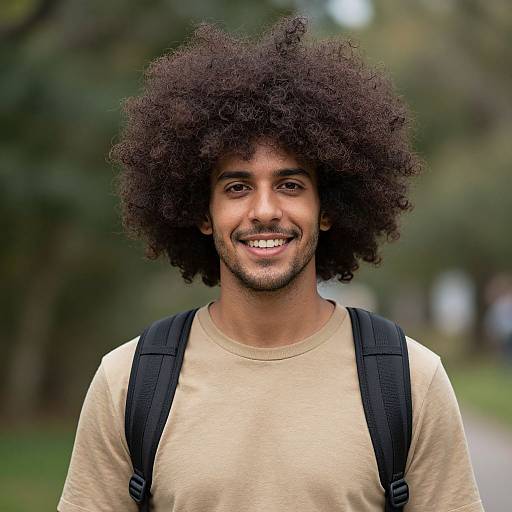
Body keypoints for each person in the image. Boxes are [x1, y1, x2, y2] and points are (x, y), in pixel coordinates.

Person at [58, 15, 483, 512]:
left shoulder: (409, 380)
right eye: (237, 187)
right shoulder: (130, 381)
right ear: (201, 213)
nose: (264, 210)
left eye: (290, 185)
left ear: (327, 210)